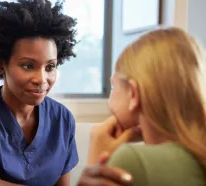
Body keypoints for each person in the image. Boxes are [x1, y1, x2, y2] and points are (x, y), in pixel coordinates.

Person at [0, 0, 133, 186]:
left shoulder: (62, 119)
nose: (42, 79)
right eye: (28, 66)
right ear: (1, 66)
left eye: (50, 66)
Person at [88, 27, 206, 186]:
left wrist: (96, 164)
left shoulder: (132, 161)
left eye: (114, 87)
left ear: (133, 94)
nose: (109, 104)